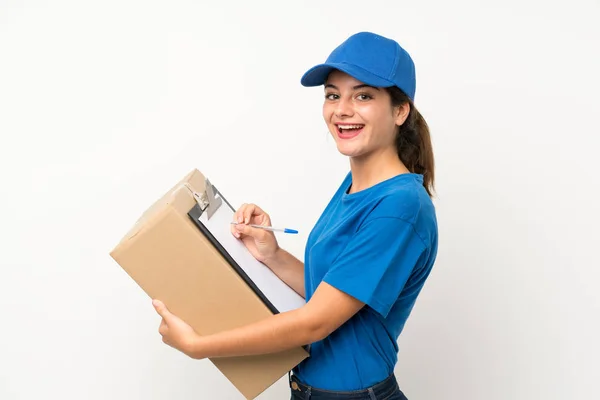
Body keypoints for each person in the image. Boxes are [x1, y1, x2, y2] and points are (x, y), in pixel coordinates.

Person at [151, 31, 438, 400]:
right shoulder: (355, 186)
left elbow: (315, 322)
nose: (342, 109)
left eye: (363, 95)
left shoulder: (399, 206)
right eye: (333, 95)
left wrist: (200, 344)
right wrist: (272, 255)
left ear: (400, 111)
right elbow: (330, 294)